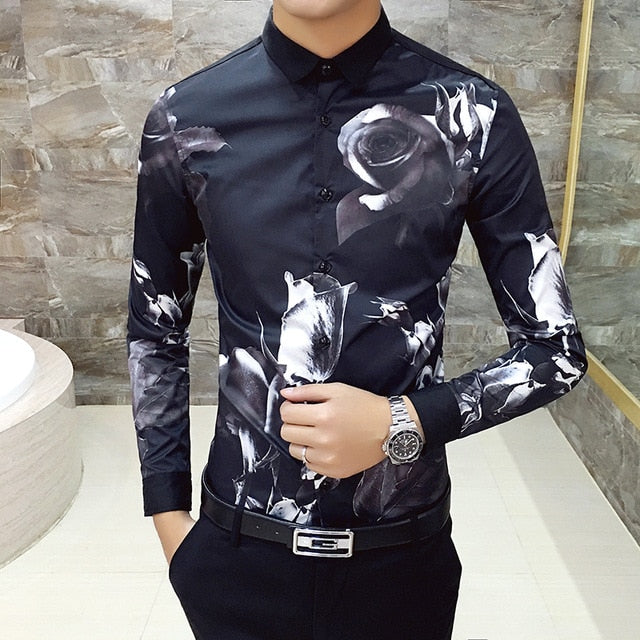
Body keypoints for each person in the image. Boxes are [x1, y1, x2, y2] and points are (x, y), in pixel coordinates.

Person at [127, 1, 587, 638]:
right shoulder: (186, 118)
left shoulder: (474, 114)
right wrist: (169, 519)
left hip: (402, 558)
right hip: (236, 551)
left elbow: (554, 352)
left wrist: (403, 421)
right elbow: (156, 331)